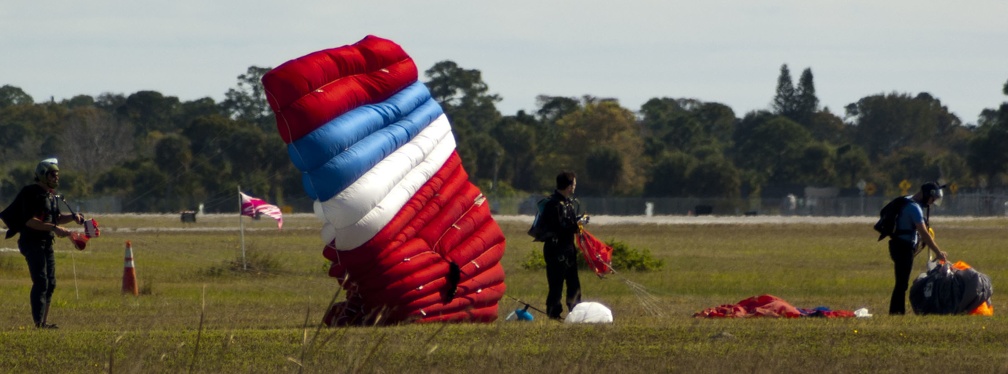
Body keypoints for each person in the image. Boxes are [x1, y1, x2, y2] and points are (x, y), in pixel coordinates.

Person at [2, 158, 84, 328]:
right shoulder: (31, 193)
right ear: (42, 175)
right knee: (41, 281)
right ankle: (38, 322)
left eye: (57, 175)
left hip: (46, 242)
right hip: (31, 242)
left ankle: (44, 323)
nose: (56, 178)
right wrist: (55, 228)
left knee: (51, 282)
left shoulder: (52, 196)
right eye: (53, 175)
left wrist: (73, 218)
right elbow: (30, 221)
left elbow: (57, 218)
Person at [888, 182, 948, 315]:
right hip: (903, 247)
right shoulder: (914, 208)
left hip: (898, 245)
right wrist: (938, 252)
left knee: (901, 282)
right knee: (902, 283)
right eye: (933, 199)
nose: (932, 202)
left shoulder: (908, 200)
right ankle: (896, 313)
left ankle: (896, 312)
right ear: (927, 195)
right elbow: (924, 233)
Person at [540, 171, 584, 319]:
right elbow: (558, 227)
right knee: (556, 283)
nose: (575, 187)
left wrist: (578, 224)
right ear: (569, 186)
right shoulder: (553, 205)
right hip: (556, 249)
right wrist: (575, 225)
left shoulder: (568, 203)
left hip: (568, 248)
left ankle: (576, 312)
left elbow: (569, 225)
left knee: (574, 283)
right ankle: (554, 314)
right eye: (574, 184)